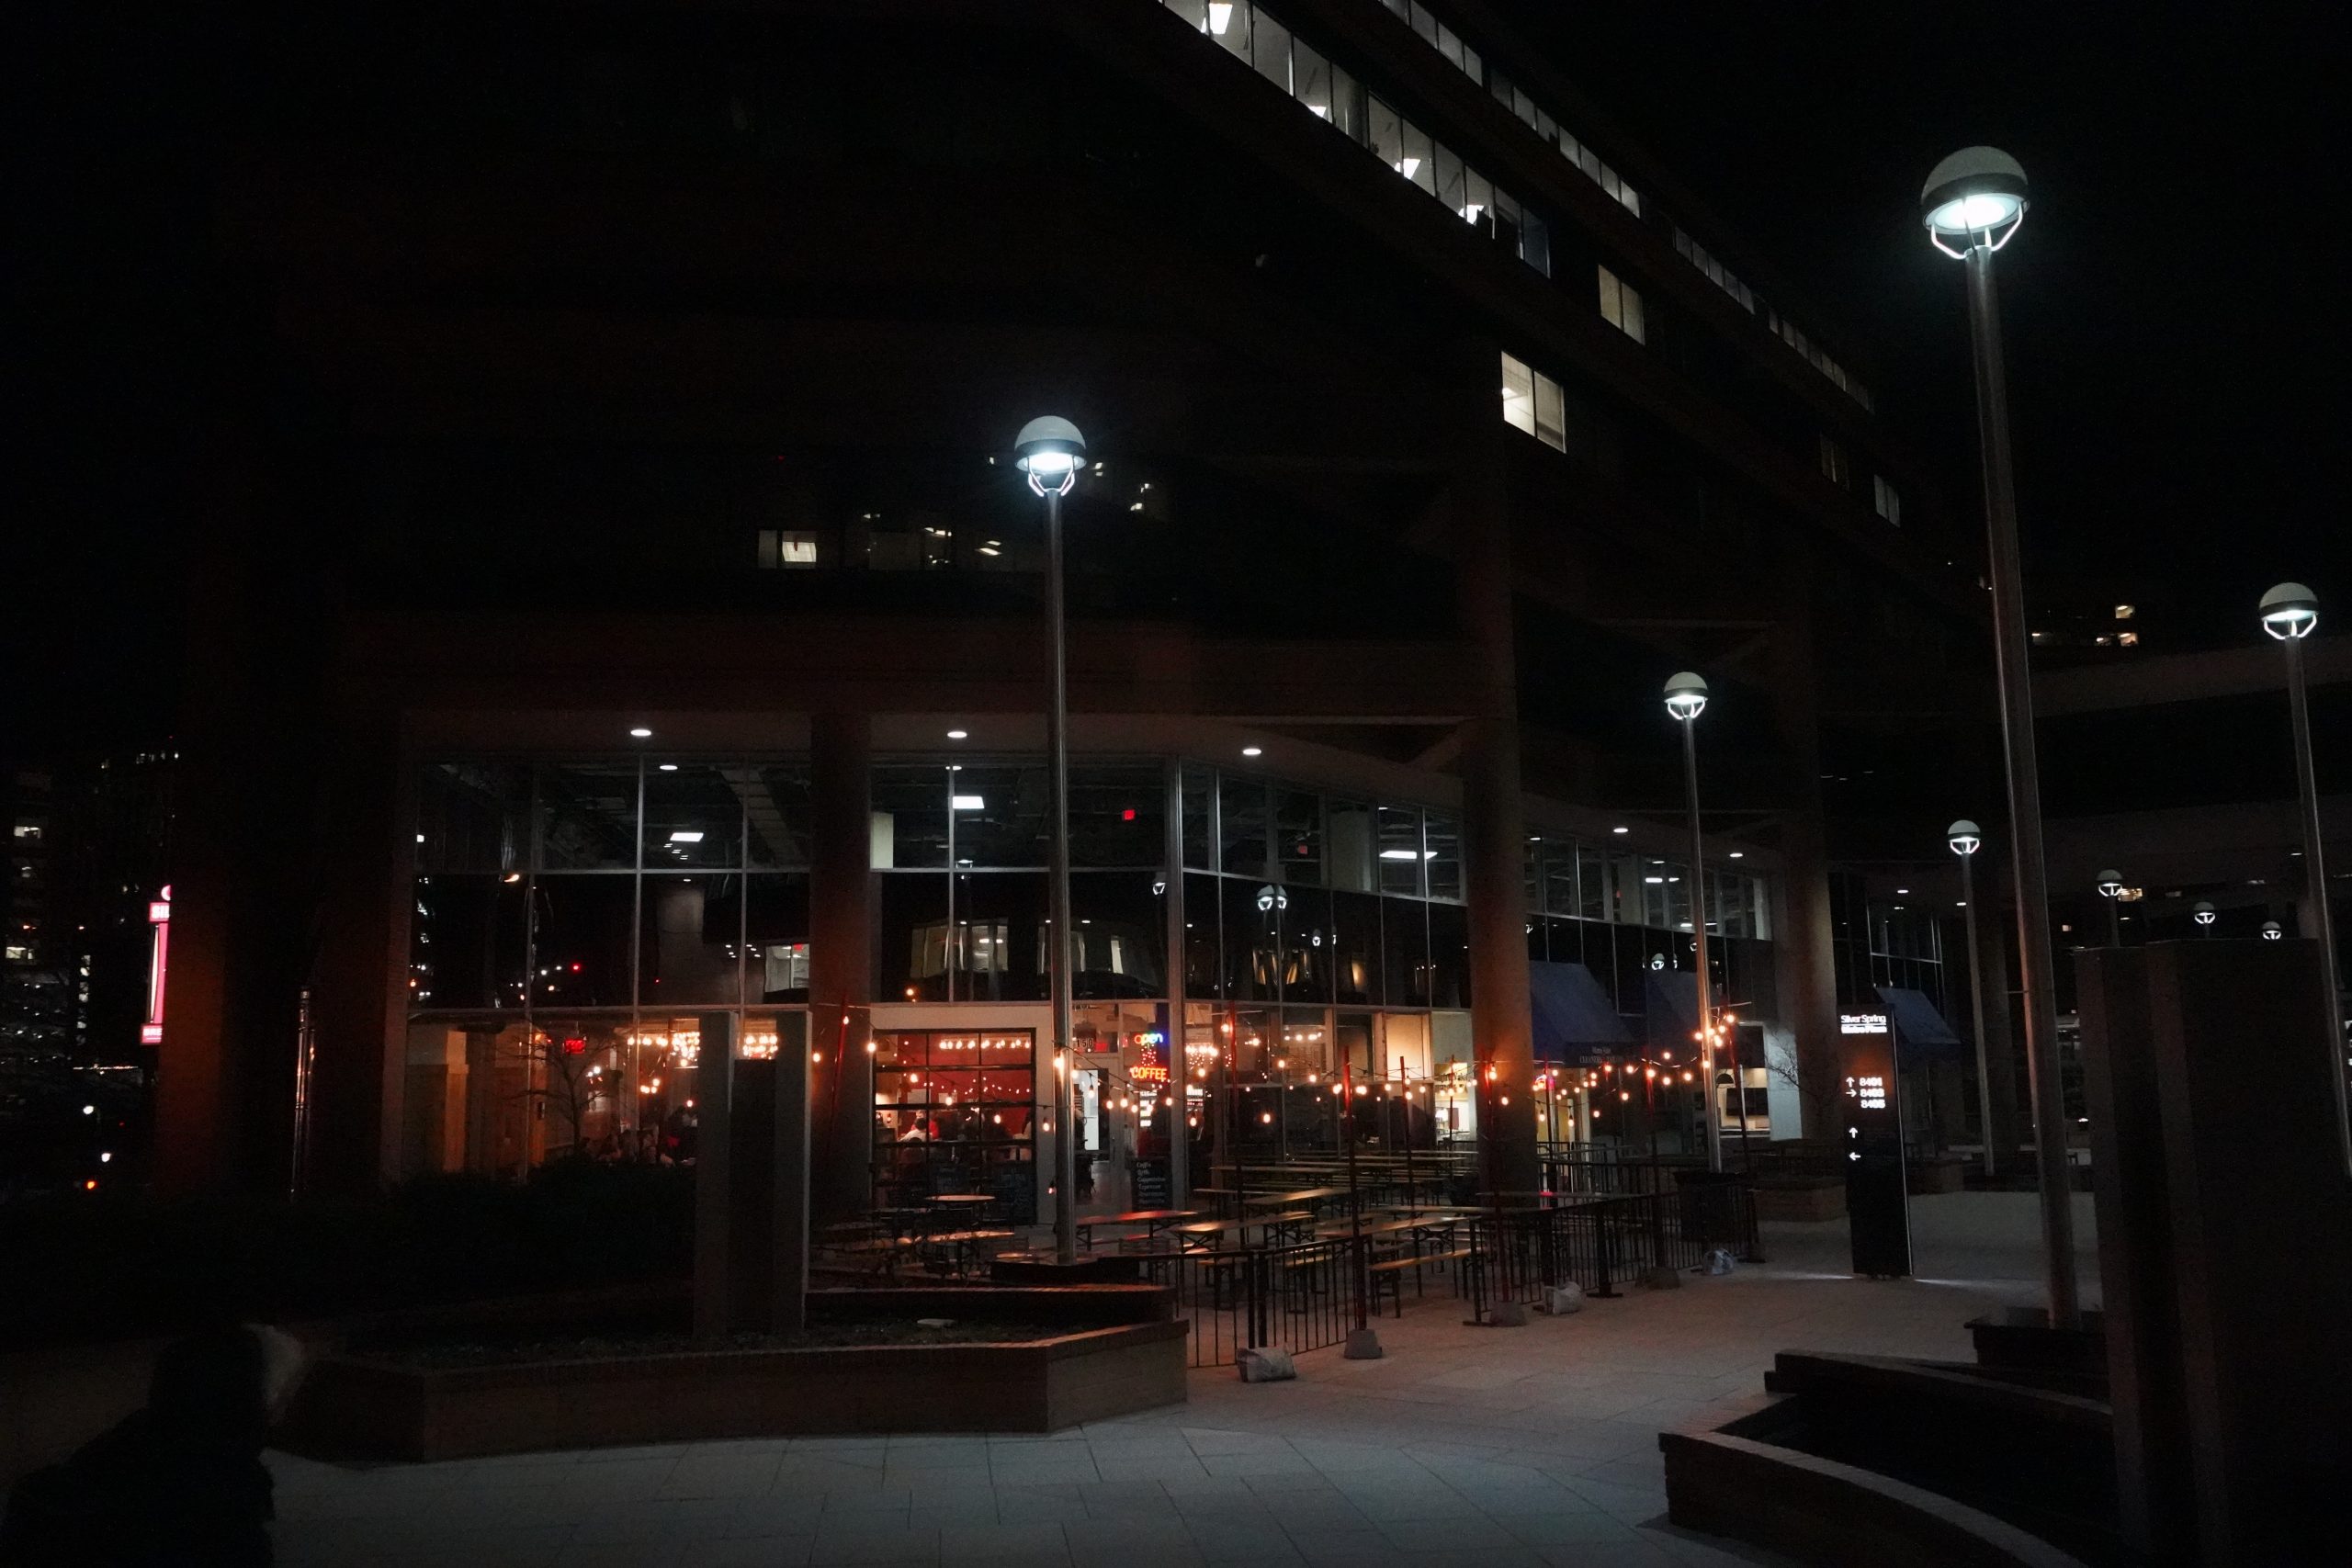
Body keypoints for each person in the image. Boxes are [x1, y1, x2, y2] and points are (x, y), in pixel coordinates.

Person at [2, 1323, 308, 1566]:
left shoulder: (122, 1447)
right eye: (280, 1399)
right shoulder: (220, 1506)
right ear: (251, 1408)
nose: (283, 1409)